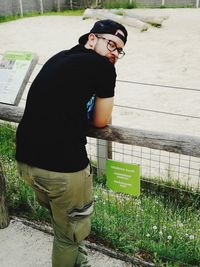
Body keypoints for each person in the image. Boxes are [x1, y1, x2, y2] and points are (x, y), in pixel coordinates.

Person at [15, 19, 128, 267]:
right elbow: (100, 121)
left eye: (120, 50)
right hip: (63, 169)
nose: (115, 53)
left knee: (64, 224)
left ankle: (80, 262)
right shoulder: (104, 67)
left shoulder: (59, 57)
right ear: (91, 38)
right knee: (69, 235)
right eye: (111, 44)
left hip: (26, 163)